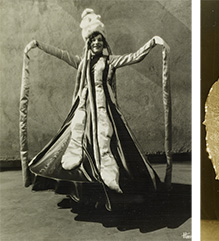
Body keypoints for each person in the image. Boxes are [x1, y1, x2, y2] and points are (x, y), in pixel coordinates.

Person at [23, 8, 168, 211]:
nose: (97, 43)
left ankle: (114, 191)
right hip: (84, 110)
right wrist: (39, 45)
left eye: (100, 40)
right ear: (88, 43)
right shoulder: (82, 62)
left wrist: (152, 43)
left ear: (104, 42)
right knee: (77, 148)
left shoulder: (110, 61)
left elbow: (134, 57)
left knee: (112, 147)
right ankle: (85, 195)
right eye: (93, 40)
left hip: (105, 110)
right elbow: (61, 54)